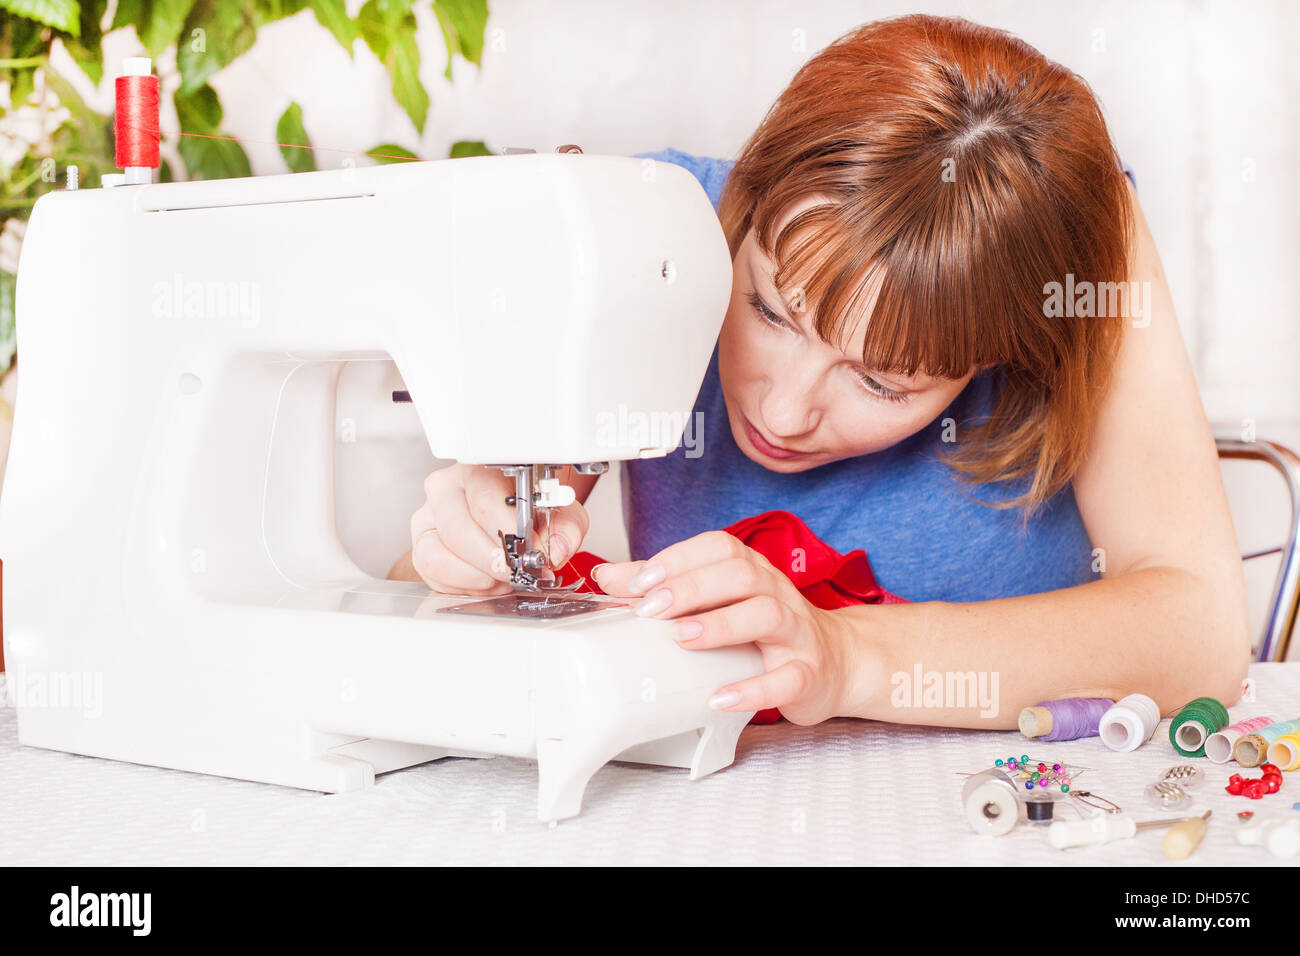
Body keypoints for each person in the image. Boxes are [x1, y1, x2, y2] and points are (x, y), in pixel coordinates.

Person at [389, 15, 1249, 729]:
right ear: (748, 202)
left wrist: (845, 656)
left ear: (1010, 349)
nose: (786, 410)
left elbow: (1198, 633)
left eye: (883, 382)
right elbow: (437, 592)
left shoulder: (1076, 257)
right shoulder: (659, 227)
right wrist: (463, 540)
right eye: (768, 310)